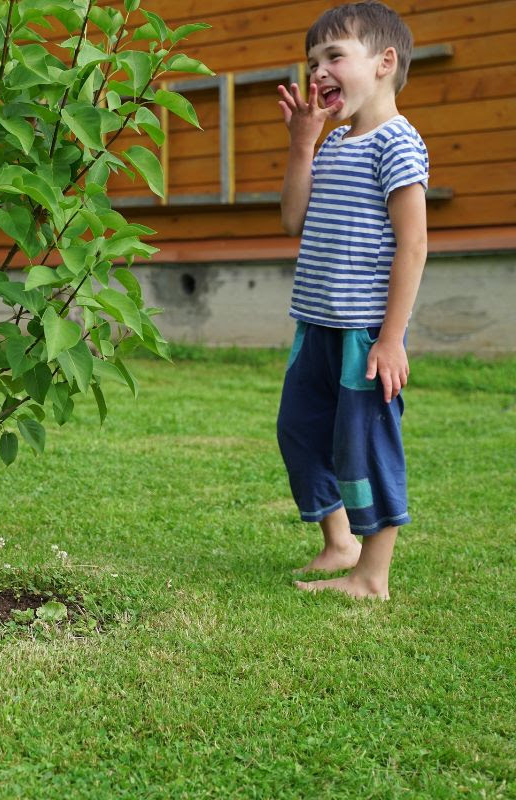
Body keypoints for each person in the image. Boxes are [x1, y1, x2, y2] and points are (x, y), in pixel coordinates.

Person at [275, 0, 428, 600]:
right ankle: (338, 544)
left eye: (334, 56)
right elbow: (293, 220)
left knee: (364, 445)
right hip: (315, 324)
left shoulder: (398, 143)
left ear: (384, 62)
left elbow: (412, 246)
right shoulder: (334, 145)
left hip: (365, 332)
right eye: (313, 61)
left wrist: (391, 339)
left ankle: (372, 574)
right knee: (299, 431)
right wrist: (301, 144)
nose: (317, 72)